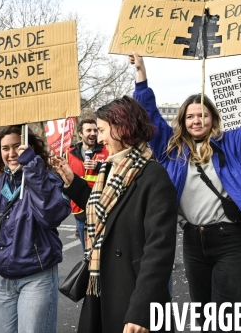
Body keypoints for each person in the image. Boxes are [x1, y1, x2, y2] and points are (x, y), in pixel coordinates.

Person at [131, 43, 241, 330]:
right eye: (190, 116)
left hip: (231, 240)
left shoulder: (235, 144)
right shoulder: (172, 149)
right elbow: (148, 118)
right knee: (203, 317)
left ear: (213, 118)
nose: (196, 120)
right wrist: (141, 76)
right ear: (182, 120)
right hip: (193, 240)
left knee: (225, 320)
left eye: (202, 115)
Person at [55, 96, 177, 333]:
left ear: (122, 126)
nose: (99, 138)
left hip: (133, 293)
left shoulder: (154, 177)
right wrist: (73, 182)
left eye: (102, 130)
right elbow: (104, 208)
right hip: (101, 284)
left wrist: (143, 310)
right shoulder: (110, 167)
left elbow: (159, 250)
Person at [0, 126, 70, 333]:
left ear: (30, 148)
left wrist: (33, 169)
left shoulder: (48, 178)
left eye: (17, 147)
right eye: (5, 148)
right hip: (2, 280)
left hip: (37, 277)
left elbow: (52, 216)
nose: (11, 154)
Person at [66, 118, 108, 252]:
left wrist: (98, 166)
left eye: (95, 130)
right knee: (87, 253)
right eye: (89, 130)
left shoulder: (106, 150)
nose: (93, 133)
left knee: (102, 250)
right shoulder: (69, 153)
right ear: (80, 133)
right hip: (79, 209)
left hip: (101, 208)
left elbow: (115, 172)